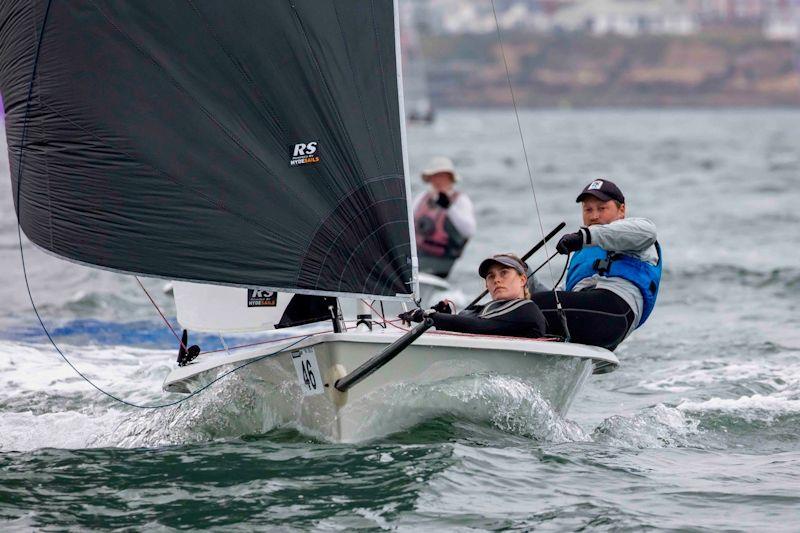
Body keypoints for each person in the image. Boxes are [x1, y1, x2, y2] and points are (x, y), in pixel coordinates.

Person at [531, 179, 662, 350]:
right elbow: (558, 298)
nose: (594, 216)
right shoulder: (583, 252)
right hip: (587, 317)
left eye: (602, 208)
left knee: (530, 306)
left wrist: (584, 236)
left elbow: (649, 231)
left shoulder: (636, 236)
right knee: (526, 306)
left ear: (621, 210)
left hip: (615, 312)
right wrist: (525, 278)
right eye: (588, 209)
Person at [400, 253, 546, 338]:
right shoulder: (482, 310)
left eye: (504, 273)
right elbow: (467, 322)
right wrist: (444, 314)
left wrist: (430, 316)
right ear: (486, 285)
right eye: (491, 276)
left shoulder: (527, 310)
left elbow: (479, 326)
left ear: (522, 280)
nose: (497, 279)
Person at [412, 156, 476, 278]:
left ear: (451, 179)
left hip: (443, 261)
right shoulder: (422, 198)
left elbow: (469, 231)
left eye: (442, 176)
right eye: (435, 176)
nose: (439, 181)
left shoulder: (460, 200)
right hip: (418, 256)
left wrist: (449, 208)